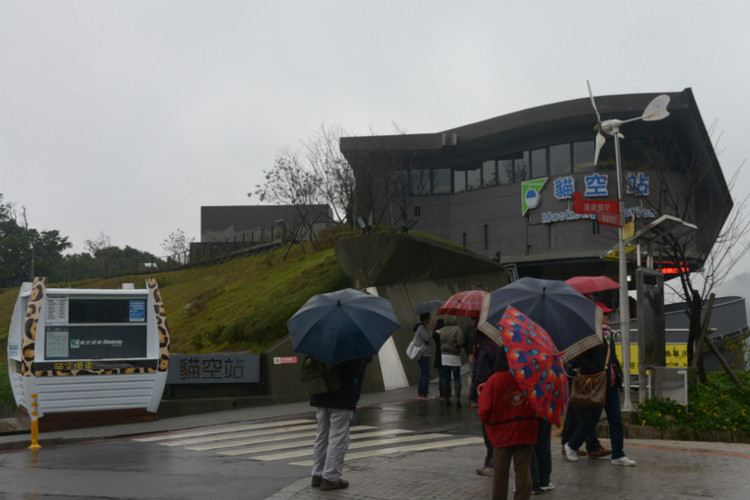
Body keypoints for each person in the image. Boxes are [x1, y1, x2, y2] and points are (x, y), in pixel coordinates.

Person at [563, 303, 636, 467]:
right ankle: (571, 445)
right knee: (591, 418)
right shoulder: (587, 335)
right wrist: (597, 371)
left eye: (609, 315)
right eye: (605, 315)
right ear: (596, 316)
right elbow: (578, 359)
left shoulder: (608, 335)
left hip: (610, 384)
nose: (609, 318)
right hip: (596, 383)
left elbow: (612, 358)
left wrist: (617, 375)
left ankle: (618, 454)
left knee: (616, 419)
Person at [478, 348, 537, 500]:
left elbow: (484, 410)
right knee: (523, 472)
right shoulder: (529, 379)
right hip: (525, 431)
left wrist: (489, 424)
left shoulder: (494, 380)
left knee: (500, 474)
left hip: (501, 434)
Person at [310, 356, 368, 490]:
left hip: (320, 395)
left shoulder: (318, 343)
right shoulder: (346, 347)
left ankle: (317, 474)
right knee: (338, 437)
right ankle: (331, 477)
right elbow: (351, 372)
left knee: (322, 436)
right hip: (340, 397)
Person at [470, 330, 499, 476]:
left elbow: (482, 374)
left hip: (487, 394)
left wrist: (473, 392)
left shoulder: (484, 349)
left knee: (488, 430)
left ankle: (492, 464)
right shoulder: (496, 345)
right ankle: (491, 461)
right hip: (497, 392)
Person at [438, 315, 464, 406]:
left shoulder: (442, 330)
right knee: (457, 377)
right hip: (454, 356)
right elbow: (460, 342)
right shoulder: (457, 329)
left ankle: (446, 399)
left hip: (444, 356)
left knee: (446, 378)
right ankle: (457, 398)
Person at [413, 313, 434, 399]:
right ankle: (423, 394)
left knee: (424, 373)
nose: (430, 319)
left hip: (422, 354)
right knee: (426, 374)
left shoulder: (421, 327)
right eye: (429, 318)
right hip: (424, 354)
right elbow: (427, 338)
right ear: (425, 319)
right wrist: (432, 330)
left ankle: (422, 393)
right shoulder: (421, 328)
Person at [433, 318, 449, 399]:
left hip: (438, 355)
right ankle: (446, 393)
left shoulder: (435, 334)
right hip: (445, 354)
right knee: (445, 375)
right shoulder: (445, 333)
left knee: (441, 376)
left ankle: (441, 393)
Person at [464, 316, 479, 398]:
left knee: (472, 373)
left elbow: (464, 341)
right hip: (479, 353)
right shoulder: (480, 326)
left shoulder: (467, 327)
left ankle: (472, 393)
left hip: (470, 354)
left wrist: (468, 352)